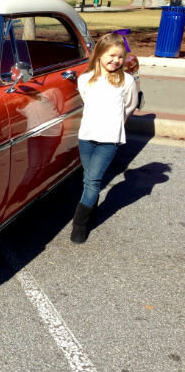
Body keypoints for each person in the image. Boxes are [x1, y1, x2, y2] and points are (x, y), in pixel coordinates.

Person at [70, 33, 139, 244]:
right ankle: (91, 211)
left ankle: (79, 226)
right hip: (87, 136)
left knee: (93, 181)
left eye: (120, 57)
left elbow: (130, 105)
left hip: (109, 139)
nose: (115, 60)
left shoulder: (126, 81)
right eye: (111, 55)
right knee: (88, 178)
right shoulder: (85, 79)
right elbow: (86, 101)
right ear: (99, 54)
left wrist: (117, 123)